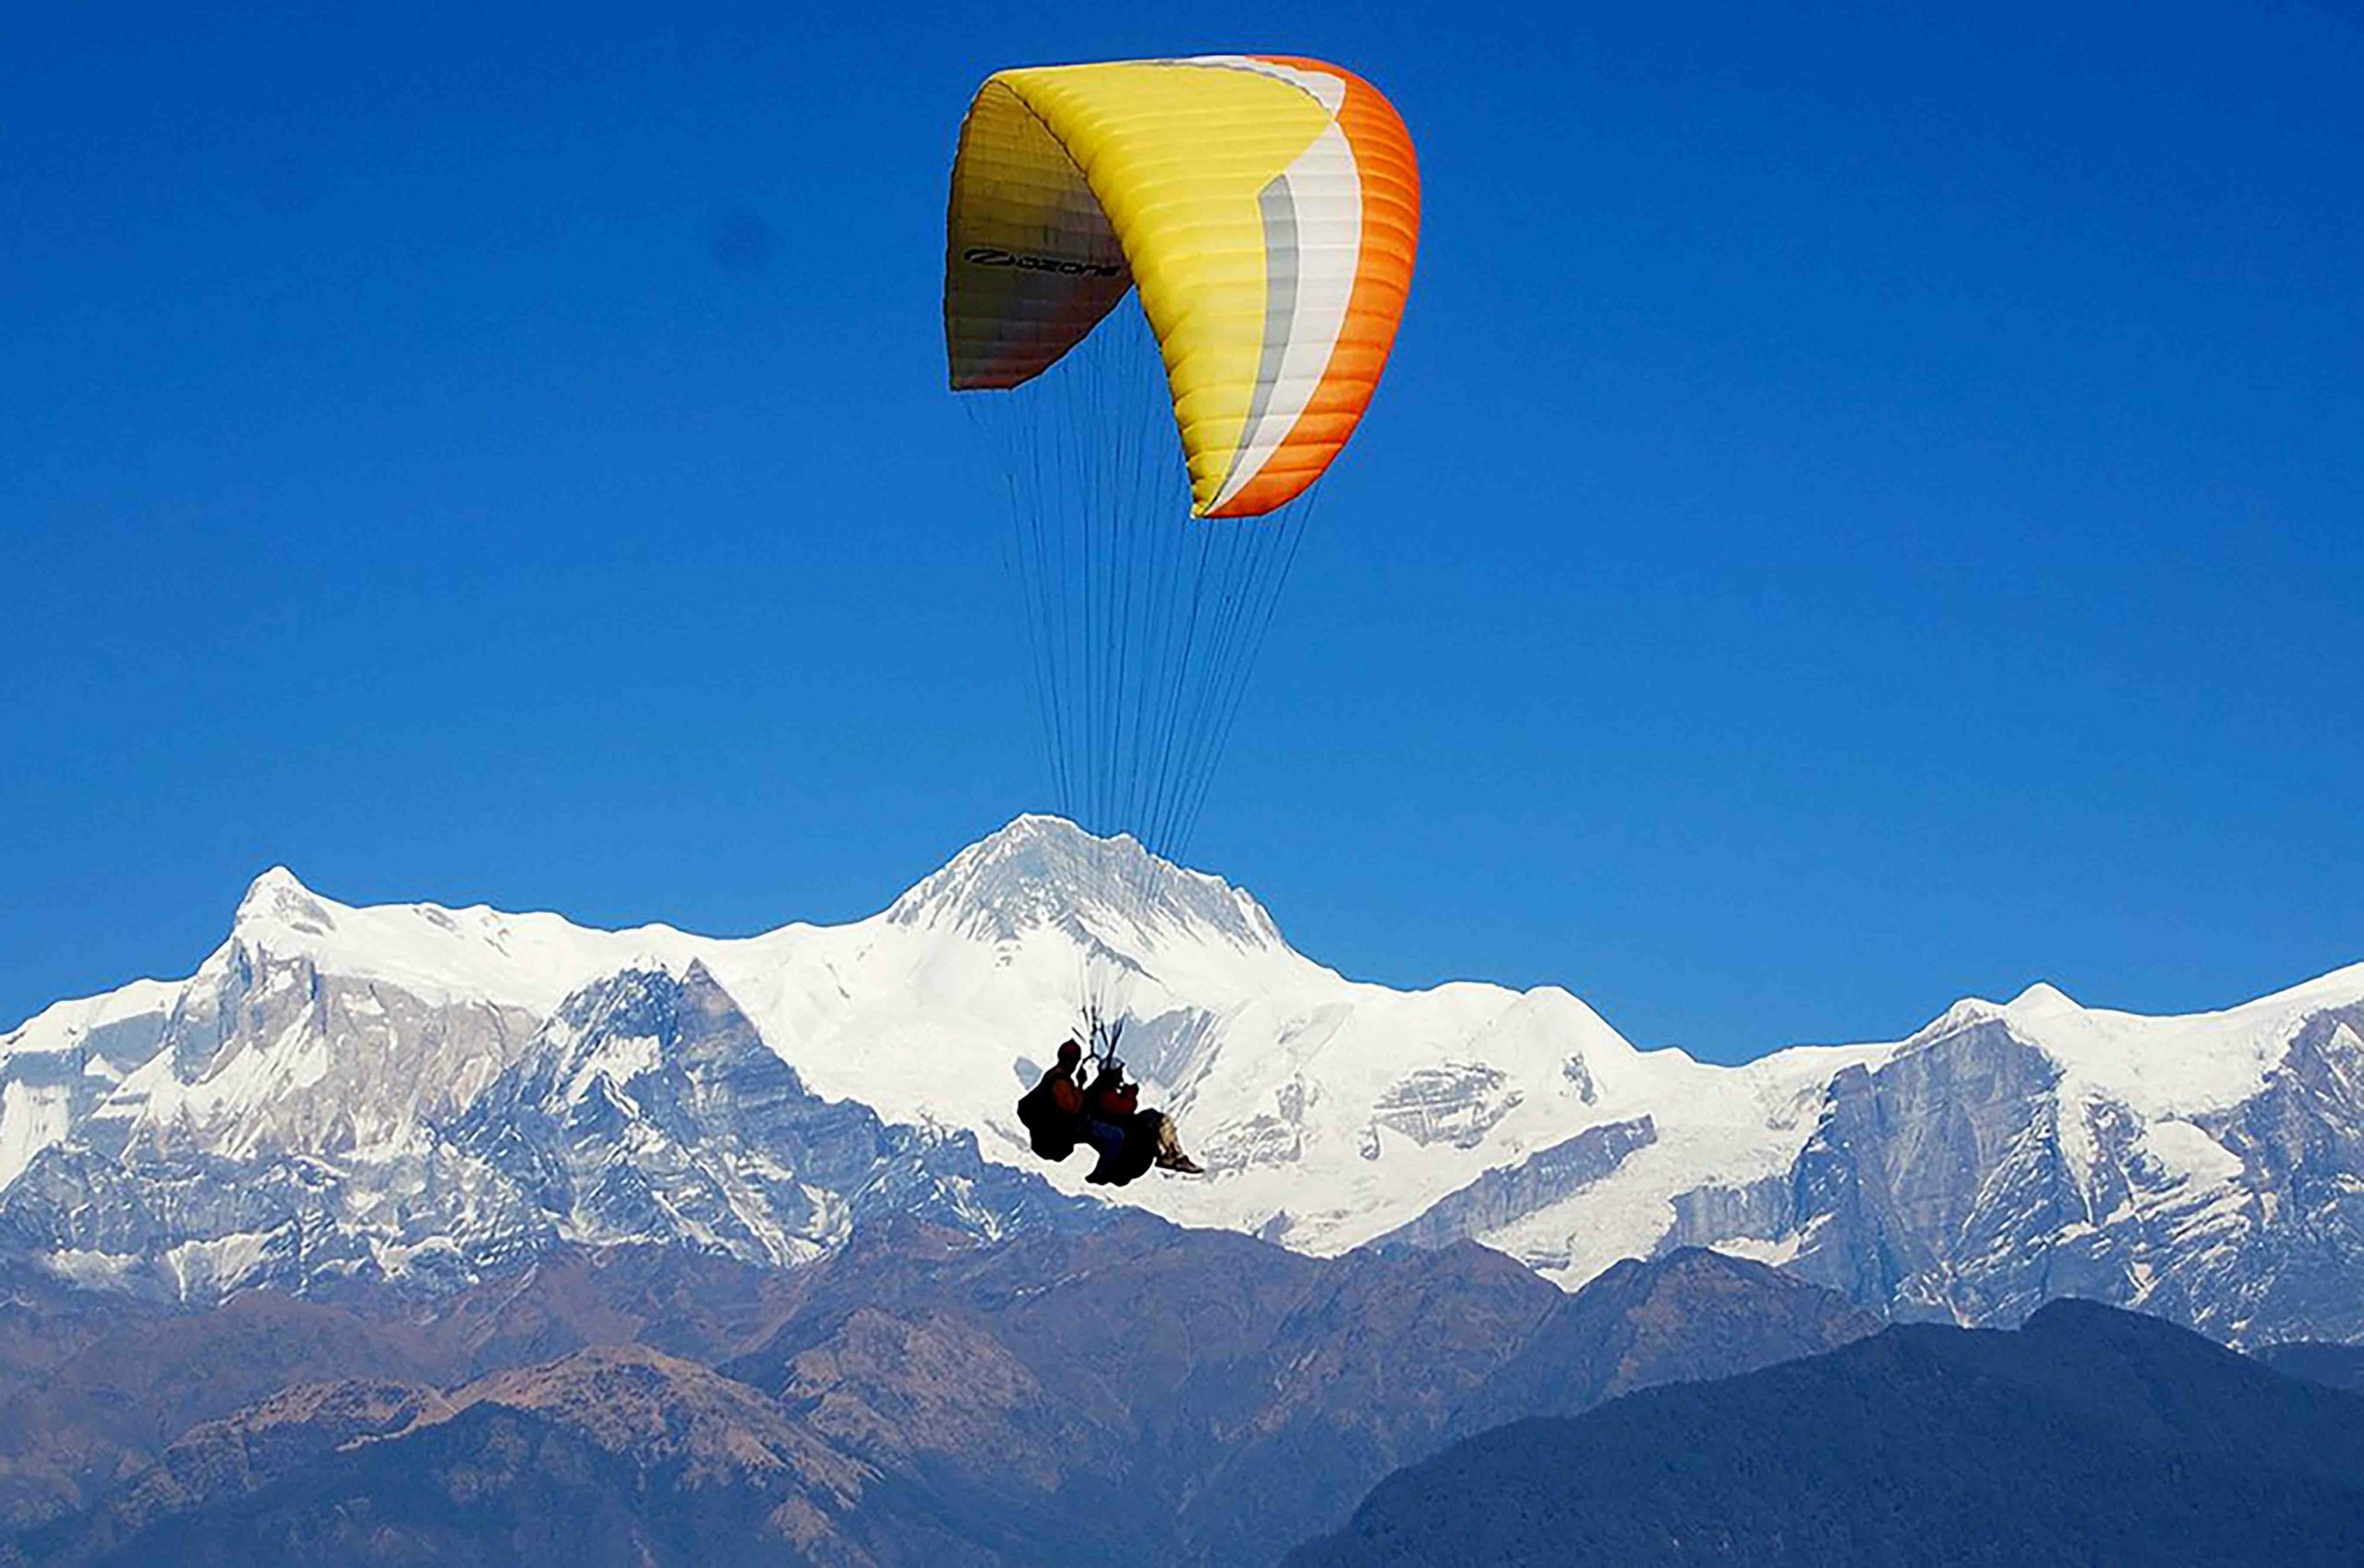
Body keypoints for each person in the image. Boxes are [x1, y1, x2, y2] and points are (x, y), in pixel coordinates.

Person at [1081, 1055, 1204, 1184]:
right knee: (1159, 1121)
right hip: (1125, 1143)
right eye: (1119, 1073)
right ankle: (1173, 1157)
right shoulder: (1105, 1093)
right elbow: (1126, 1108)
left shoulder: (1100, 1088)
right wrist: (1130, 1094)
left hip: (1118, 1128)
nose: (1121, 1076)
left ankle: (1169, 1154)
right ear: (1113, 1074)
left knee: (1152, 1116)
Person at [1015, 1039, 1089, 1161]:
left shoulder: (1053, 1074)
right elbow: (1073, 1108)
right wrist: (1080, 1085)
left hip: (1043, 1139)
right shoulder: (1060, 1082)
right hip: (1051, 1145)